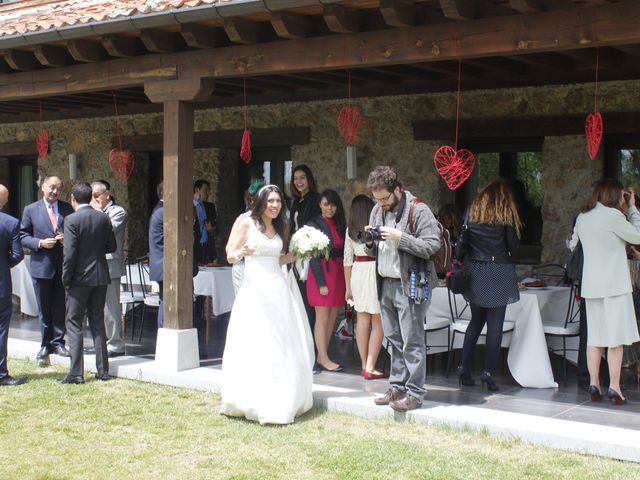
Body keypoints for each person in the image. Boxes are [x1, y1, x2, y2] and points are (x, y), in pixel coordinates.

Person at [221, 185, 313, 424]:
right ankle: (253, 397)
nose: (275, 205)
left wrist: (300, 253)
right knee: (258, 340)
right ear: (261, 202)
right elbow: (229, 254)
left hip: (278, 289)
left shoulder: (279, 226)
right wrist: (242, 251)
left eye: (279, 201)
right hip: (254, 289)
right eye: (271, 201)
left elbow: (277, 258)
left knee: (281, 341)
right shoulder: (246, 223)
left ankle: (283, 394)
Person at [365, 166, 440, 412]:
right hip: (385, 282)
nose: (381, 204)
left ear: (398, 189)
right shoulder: (377, 210)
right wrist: (369, 241)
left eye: (385, 198)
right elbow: (372, 250)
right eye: (377, 199)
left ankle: (415, 393)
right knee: (394, 340)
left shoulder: (419, 210)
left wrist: (401, 237)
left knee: (412, 340)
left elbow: (432, 246)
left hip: (411, 284)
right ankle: (397, 386)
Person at [570, 179, 640, 405]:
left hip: (592, 287)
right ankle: (615, 387)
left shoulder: (583, 218)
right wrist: (633, 210)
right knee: (615, 340)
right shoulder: (614, 216)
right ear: (614, 196)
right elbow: (638, 237)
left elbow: (572, 245)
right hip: (615, 287)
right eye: (622, 196)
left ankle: (594, 383)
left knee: (595, 339)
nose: (623, 200)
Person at [456, 179, 521, 392]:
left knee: (476, 321)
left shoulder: (471, 212)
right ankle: (488, 373)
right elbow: (513, 247)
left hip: (474, 269)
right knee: (495, 325)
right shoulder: (505, 216)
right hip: (499, 269)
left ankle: (464, 366)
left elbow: (462, 243)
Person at [59, 183, 116, 384]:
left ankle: (76, 373)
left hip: (79, 279)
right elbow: (112, 246)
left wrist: (65, 278)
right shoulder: (103, 217)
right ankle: (103, 371)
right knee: (97, 323)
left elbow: (70, 254)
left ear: (73, 199)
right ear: (91, 196)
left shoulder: (71, 219)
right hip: (100, 276)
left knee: (74, 323)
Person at [20, 175, 74, 366]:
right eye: (51, 187)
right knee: (44, 308)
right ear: (43, 187)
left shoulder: (67, 208)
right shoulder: (31, 209)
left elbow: (74, 233)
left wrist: (65, 239)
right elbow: (23, 236)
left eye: (58, 188)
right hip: (41, 265)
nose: (54, 192)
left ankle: (58, 342)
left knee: (60, 306)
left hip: (62, 265)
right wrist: (40, 243)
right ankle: (45, 344)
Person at [344, 194, 386, 380]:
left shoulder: (350, 230)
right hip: (374, 271)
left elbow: (347, 261)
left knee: (362, 321)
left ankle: (364, 365)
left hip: (357, 273)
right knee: (378, 323)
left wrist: (348, 287)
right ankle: (370, 366)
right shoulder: (376, 230)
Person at [307, 189, 347, 372]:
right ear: (320, 205)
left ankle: (323, 355)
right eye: (325, 204)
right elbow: (313, 257)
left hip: (338, 273)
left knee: (332, 316)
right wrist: (321, 282)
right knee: (322, 317)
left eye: (332, 204)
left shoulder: (340, 224)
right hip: (321, 274)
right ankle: (322, 358)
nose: (329, 208)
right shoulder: (313, 224)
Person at [91, 180, 126, 357]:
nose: (94, 199)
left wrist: (94, 212)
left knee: (111, 308)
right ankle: (101, 342)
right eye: (92, 196)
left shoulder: (117, 211)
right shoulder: (96, 212)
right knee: (96, 307)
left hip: (110, 266)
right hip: (94, 265)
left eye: (96, 196)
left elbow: (103, 229)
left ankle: (116, 345)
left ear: (107, 194)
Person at [289, 165, 322, 355]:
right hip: (295, 253)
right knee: (298, 301)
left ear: (309, 179)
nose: (299, 182)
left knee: (308, 303)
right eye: (295, 178)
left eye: (302, 177)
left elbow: (312, 227)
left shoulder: (315, 200)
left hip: (308, 255)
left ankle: (312, 349)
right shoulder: (296, 201)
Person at [0, 185, 27, 386]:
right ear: (5, 200)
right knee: (1, 329)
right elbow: (17, 255)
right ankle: (1, 373)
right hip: (1, 284)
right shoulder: (10, 222)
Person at [228, 178, 264, 293]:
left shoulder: (274, 220)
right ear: (252, 201)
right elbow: (229, 249)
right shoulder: (243, 219)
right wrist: (242, 251)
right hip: (243, 267)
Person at [149, 182, 165, 327]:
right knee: (166, 304)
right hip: (165, 264)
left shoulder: (161, 210)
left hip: (162, 264)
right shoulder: (162, 211)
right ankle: (163, 335)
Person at [193, 179, 218, 264]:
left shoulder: (210, 207)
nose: (208, 193)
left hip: (207, 248)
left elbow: (217, 227)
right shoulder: (189, 205)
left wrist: (212, 230)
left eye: (209, 190)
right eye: (205, 190)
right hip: (194, 247)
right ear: (197, 190)